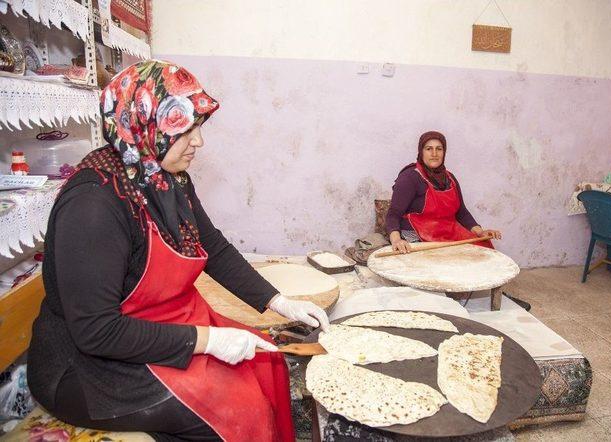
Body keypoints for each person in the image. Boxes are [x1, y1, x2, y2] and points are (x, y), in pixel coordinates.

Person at [27, 60, 329, 442]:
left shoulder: (166, 177)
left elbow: (213, 247)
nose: (199, 143)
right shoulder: (93, 204)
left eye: (198, 130)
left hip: (157, 324)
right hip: (89, 367)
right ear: (144, 123)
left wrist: (279, 301)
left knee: (265, 362)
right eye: (185, 131)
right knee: (236, 407)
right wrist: (207, 341)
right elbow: (96, 331)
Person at [386, 131, 502, 253]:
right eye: (429, 149)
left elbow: (461, 212)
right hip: (417, 235)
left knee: (483, 247)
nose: (434, 154)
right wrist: (396, 240)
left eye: (439, 149)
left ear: (444, 152)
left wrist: (480, 232)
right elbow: (393, 214)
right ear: (421, 152)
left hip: (445, 233)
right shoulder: (410, 177)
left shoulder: (450, 178)